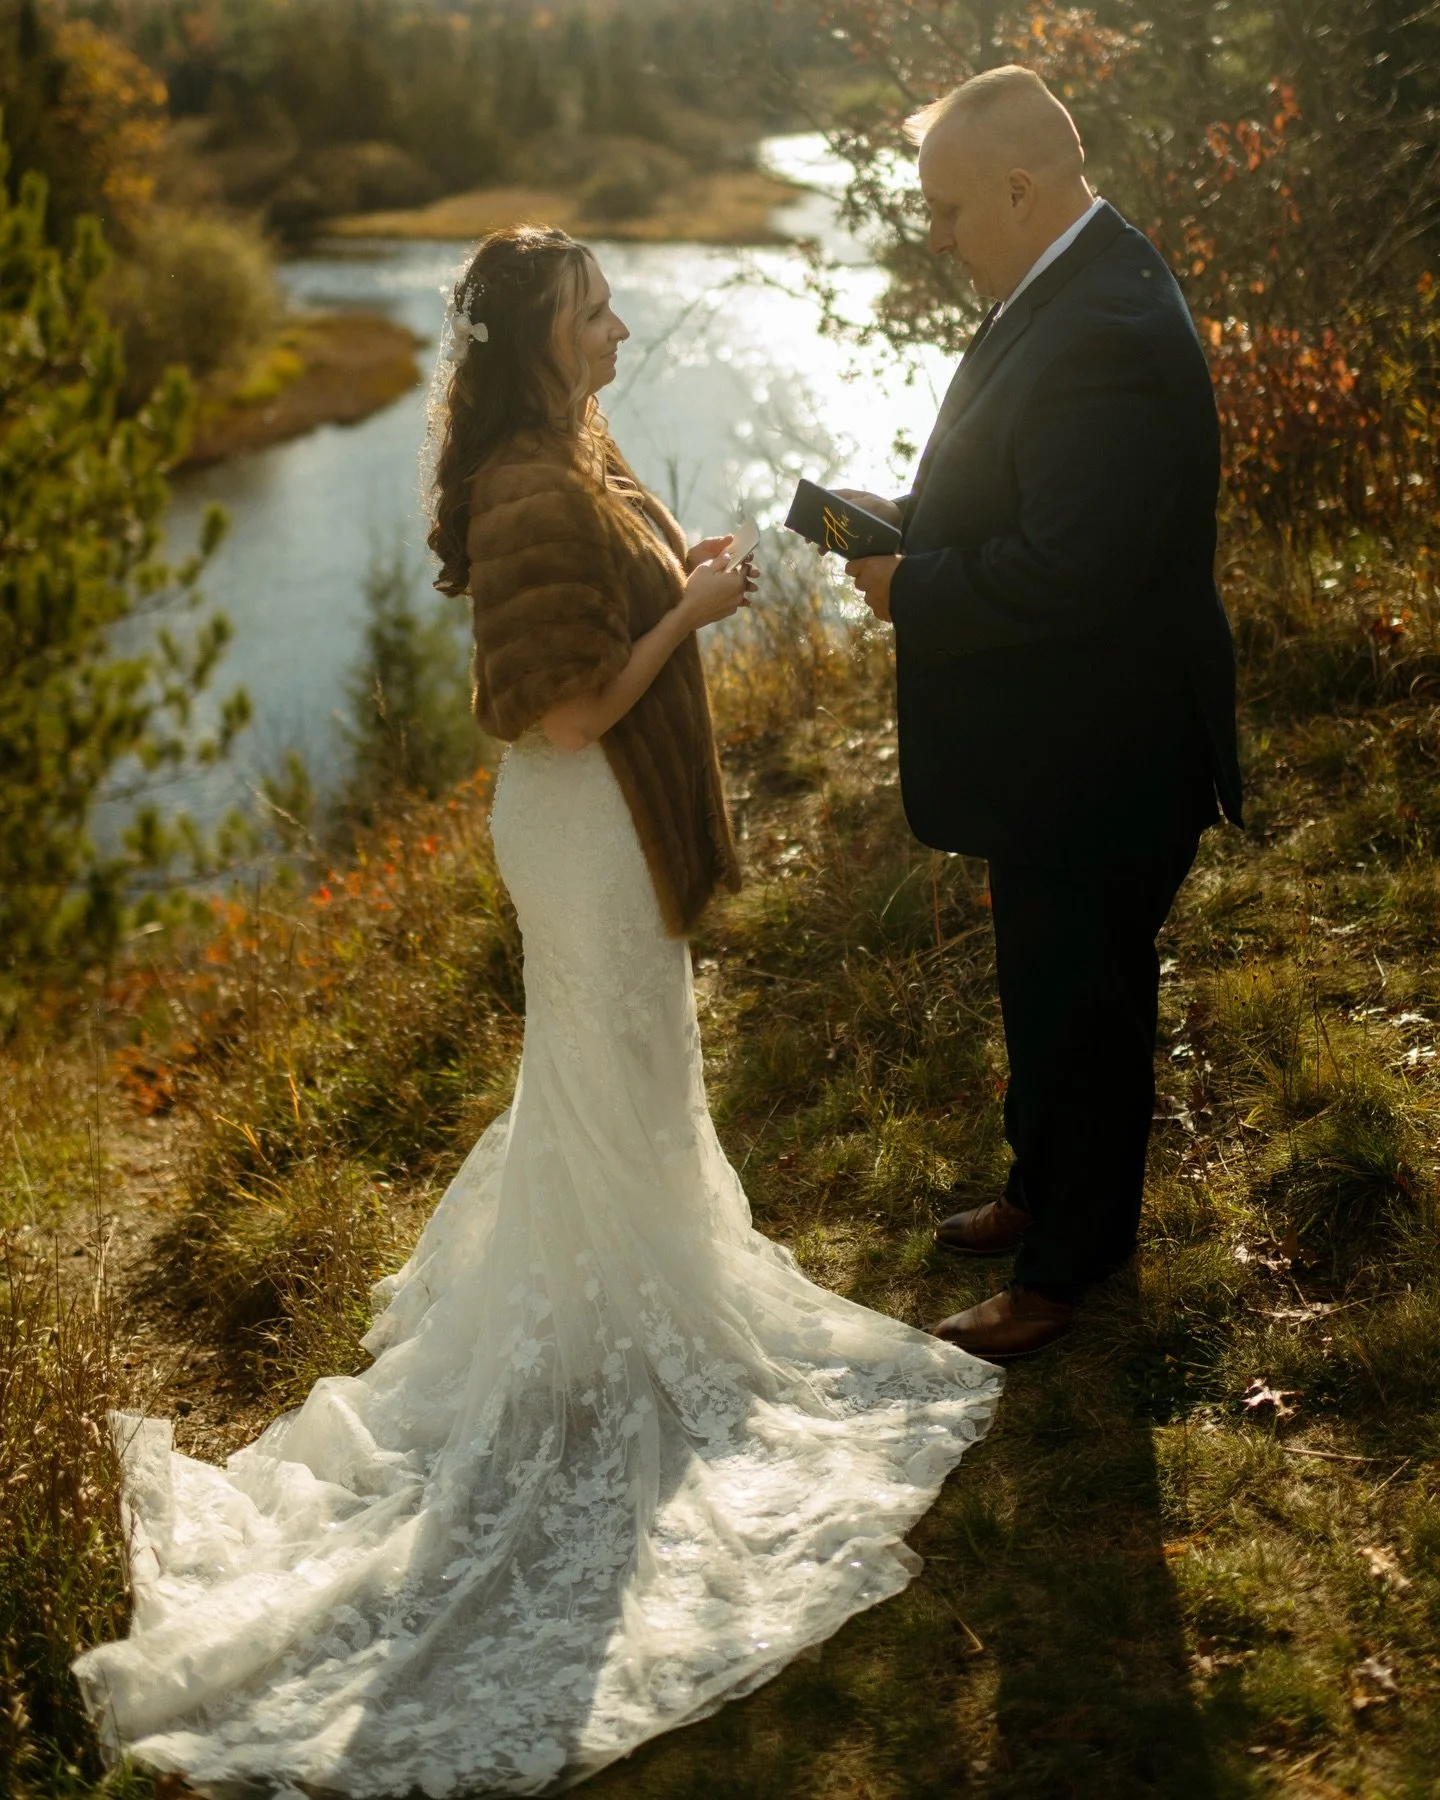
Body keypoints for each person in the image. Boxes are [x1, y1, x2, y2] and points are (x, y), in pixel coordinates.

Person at [73, 225, 1001, 1799]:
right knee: (608, 1082)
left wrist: (678, 570)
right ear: (540, 338)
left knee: (624, 1091)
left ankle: (596, 1329)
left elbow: (603, 627)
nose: (624, 326)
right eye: (596, 312)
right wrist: (692, 622)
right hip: (580, 835)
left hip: (609, 827)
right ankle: (588, 1361)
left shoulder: (577, 447)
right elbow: (565, 708)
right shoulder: (522, 485)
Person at [840, 66, 1242, 1361]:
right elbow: (1036, 502)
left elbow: (1072, 570)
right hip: (1065, 740)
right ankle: (1041, 1190)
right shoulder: (1068, 281)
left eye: (951, 210)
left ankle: (1070, 1267)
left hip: (1105, 752)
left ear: (1019, 189)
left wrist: (915, 586)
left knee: (1088, 1003)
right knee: (1047, 986)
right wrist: (910, 528)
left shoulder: (1107, 327)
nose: (940, 238)